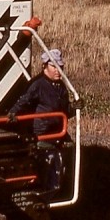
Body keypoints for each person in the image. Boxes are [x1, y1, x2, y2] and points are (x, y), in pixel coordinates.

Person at [10, 49, 73, 191]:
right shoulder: (37, 85)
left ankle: (51, 196)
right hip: (41, 137)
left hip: (57, 137)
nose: (58, 71)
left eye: (61, 67)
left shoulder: (61, 87)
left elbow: (64, 111)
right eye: (54, 67)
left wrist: (73, 108)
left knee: (57, 176)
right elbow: (24, 101)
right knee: (43, 174)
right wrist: (13, 113)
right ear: (45, 66)